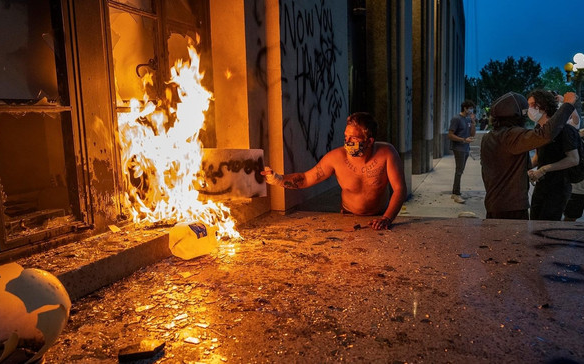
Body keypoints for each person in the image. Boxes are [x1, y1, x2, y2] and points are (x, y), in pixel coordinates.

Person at [262, 112, 407, 230]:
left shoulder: (387, 153)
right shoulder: (336, 158)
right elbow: (306, 178)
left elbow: (399, 189)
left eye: (354, 138)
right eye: (346, 137)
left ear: (369, 141)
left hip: (380, 215)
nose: (348, 142)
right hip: (348, 216)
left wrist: (387, 218)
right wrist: (277, 179)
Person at [480, 91, 577, 220]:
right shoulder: (511, 135)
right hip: (511, 206)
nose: (528, 112)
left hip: (495, 202)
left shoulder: (489, 136)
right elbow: (545, 135)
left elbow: (510, 163)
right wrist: (567, 105)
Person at [527, 89, 580, 221]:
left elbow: (574, 159)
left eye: (533, 105)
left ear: (544, 106)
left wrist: (544, 169)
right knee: (534, 221)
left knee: (546, 225)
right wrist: (527, 168)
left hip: (559, 186)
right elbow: (539, 157)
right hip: (542, 184)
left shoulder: (564, 129)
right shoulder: (539, 130)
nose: (530, 109)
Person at [448, 100, 476, 203]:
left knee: (460, 170)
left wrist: (473, 122)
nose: (471, 110)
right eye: (470, 108)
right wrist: (463, 140)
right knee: (459, 171)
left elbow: (472, 134)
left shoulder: (468, 119)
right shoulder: (456, 119)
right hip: (459, 148)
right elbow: (450, 135)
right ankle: (456, 194)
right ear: (465, 108)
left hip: (466, 148)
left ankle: (455, 192)